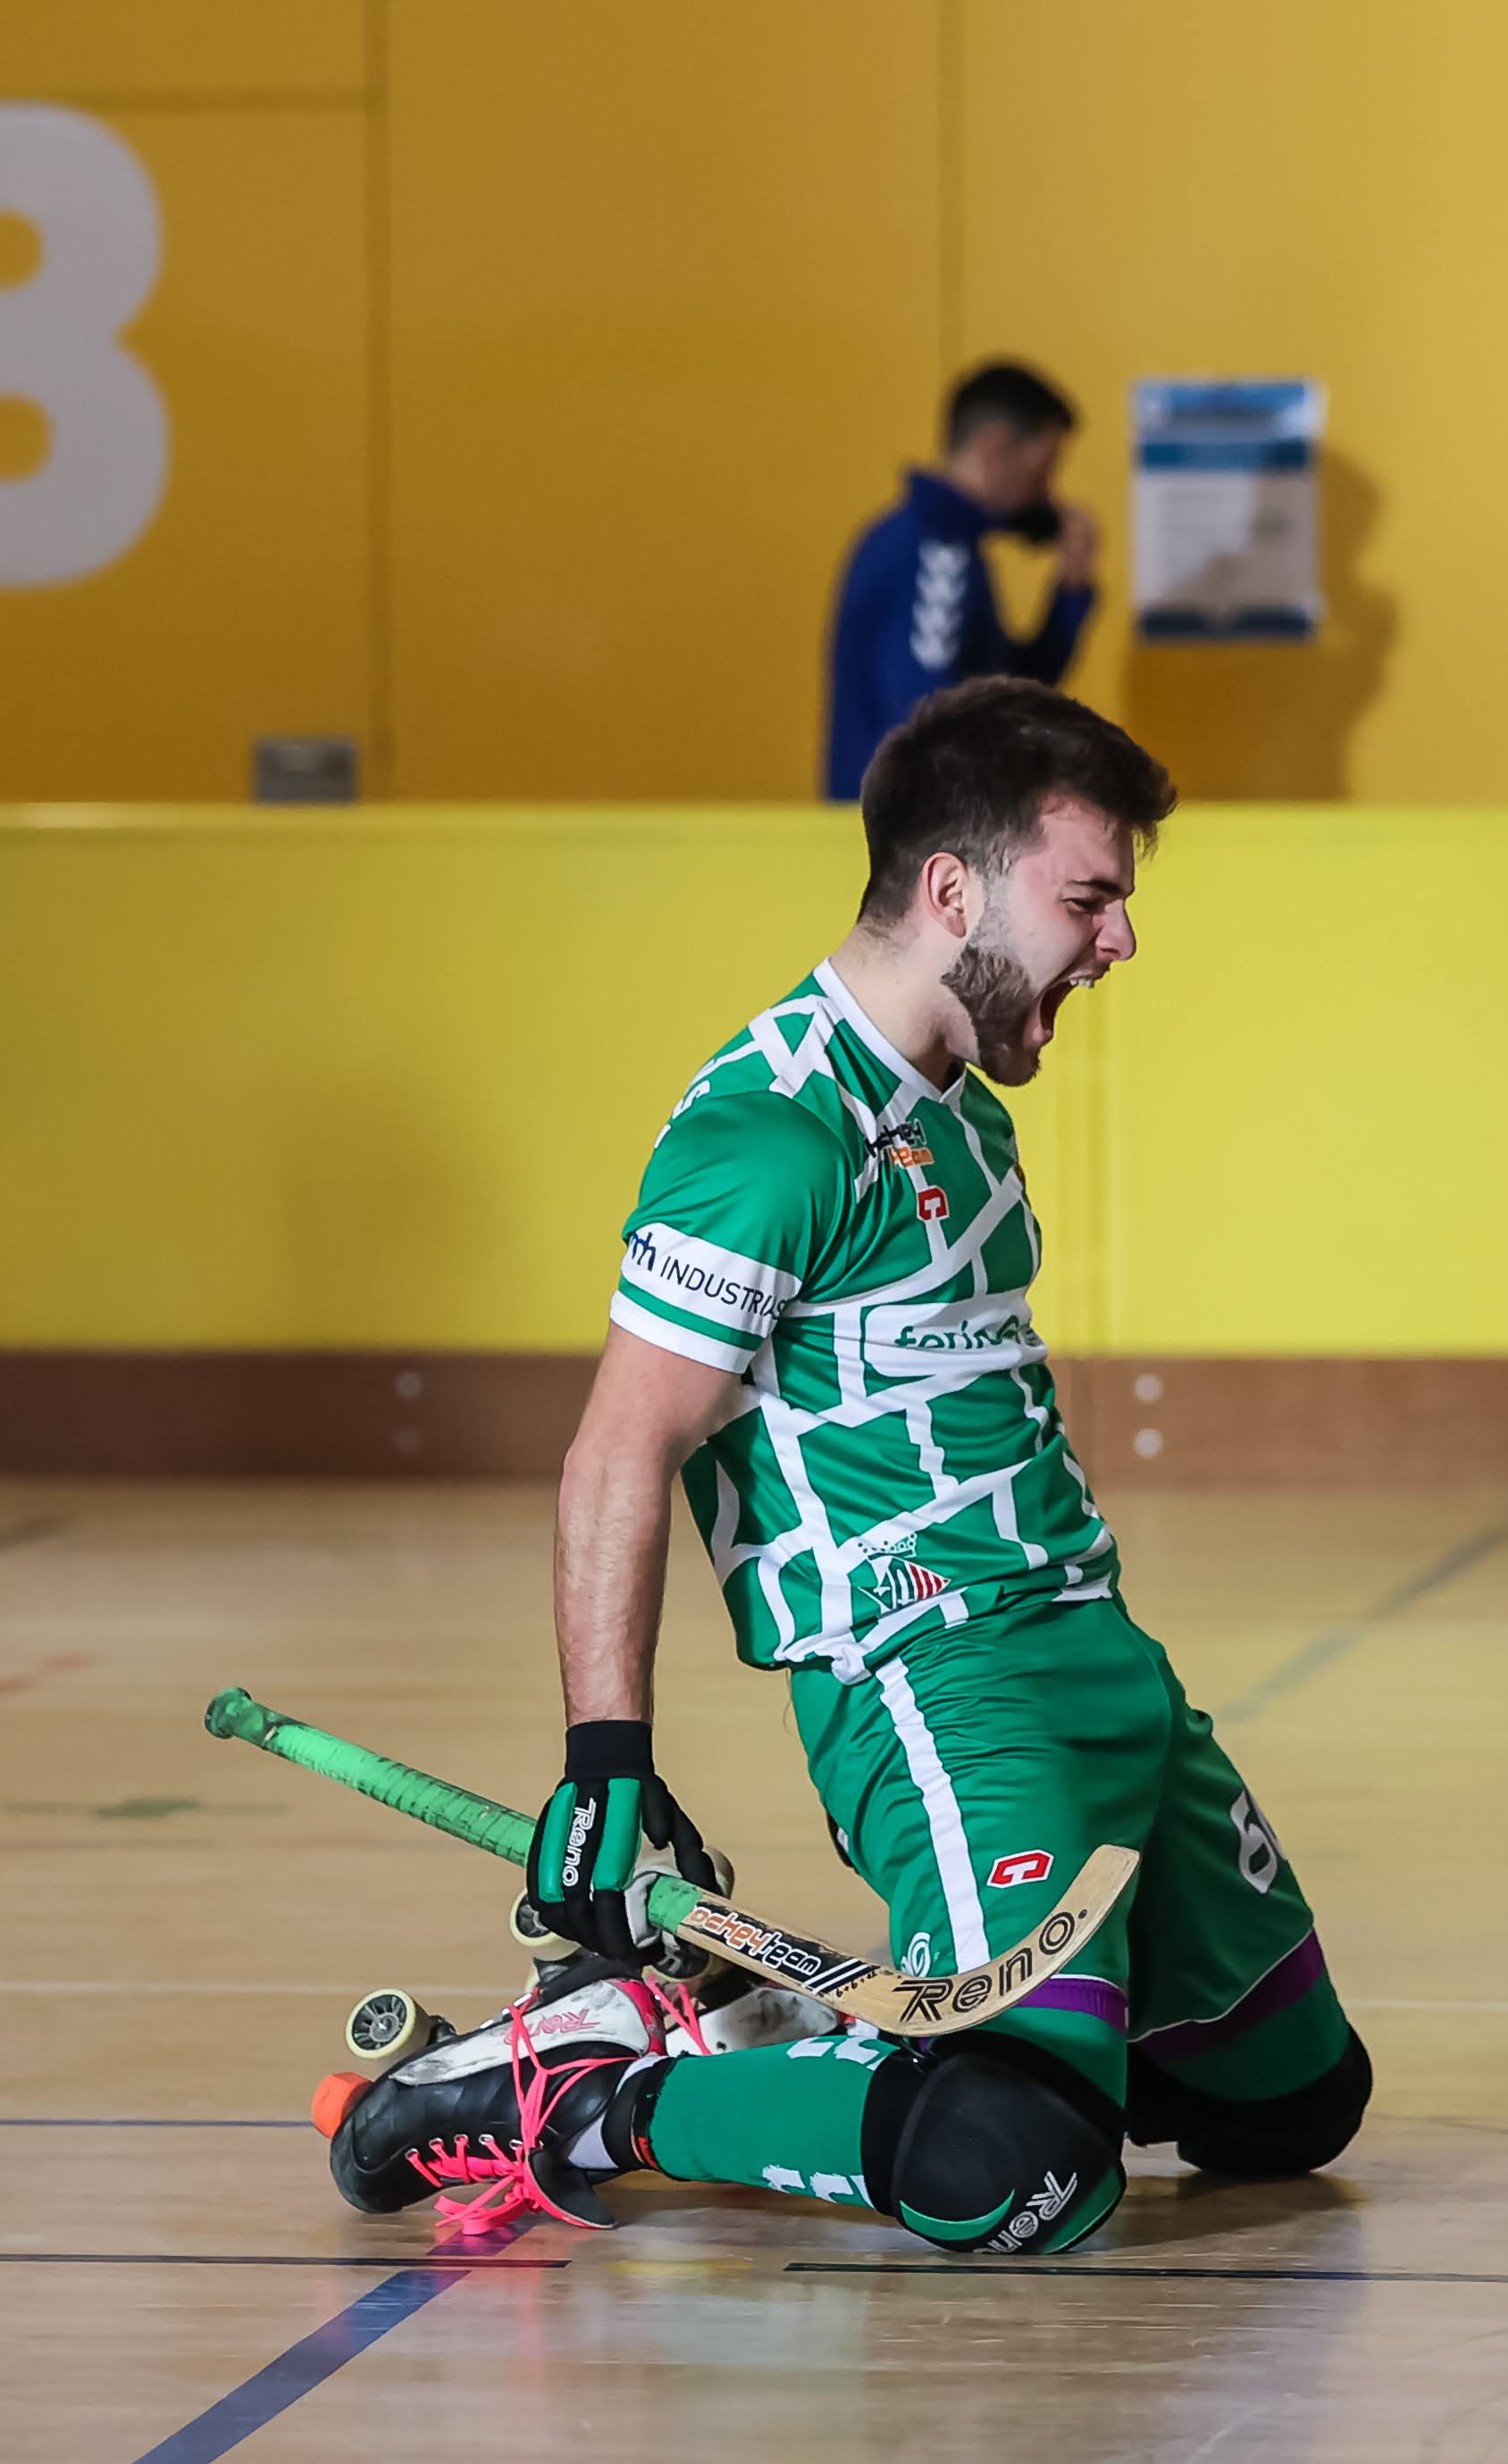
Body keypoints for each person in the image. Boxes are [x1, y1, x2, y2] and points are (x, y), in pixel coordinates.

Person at [318, 678, 1370, 2255]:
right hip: (948, 1690)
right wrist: (605, 1756)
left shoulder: (962, 1118)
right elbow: (620, 1449)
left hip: (1110, 1673)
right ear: (954, 889)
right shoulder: (767, 1132)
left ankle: (820, 2027)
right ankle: (582, 2097)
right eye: (1088, 897)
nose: (1119, 940)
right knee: (1024, 2163)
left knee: (1292, 2103)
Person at [822, 363, 1102, 800]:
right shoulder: (937, 551)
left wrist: (1070, 590)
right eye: (1044, 466)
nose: (1048, 493)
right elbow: (926, 715)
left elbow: (1011, 685)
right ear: (995, 450)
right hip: (909, 842)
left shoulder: (946, 545)